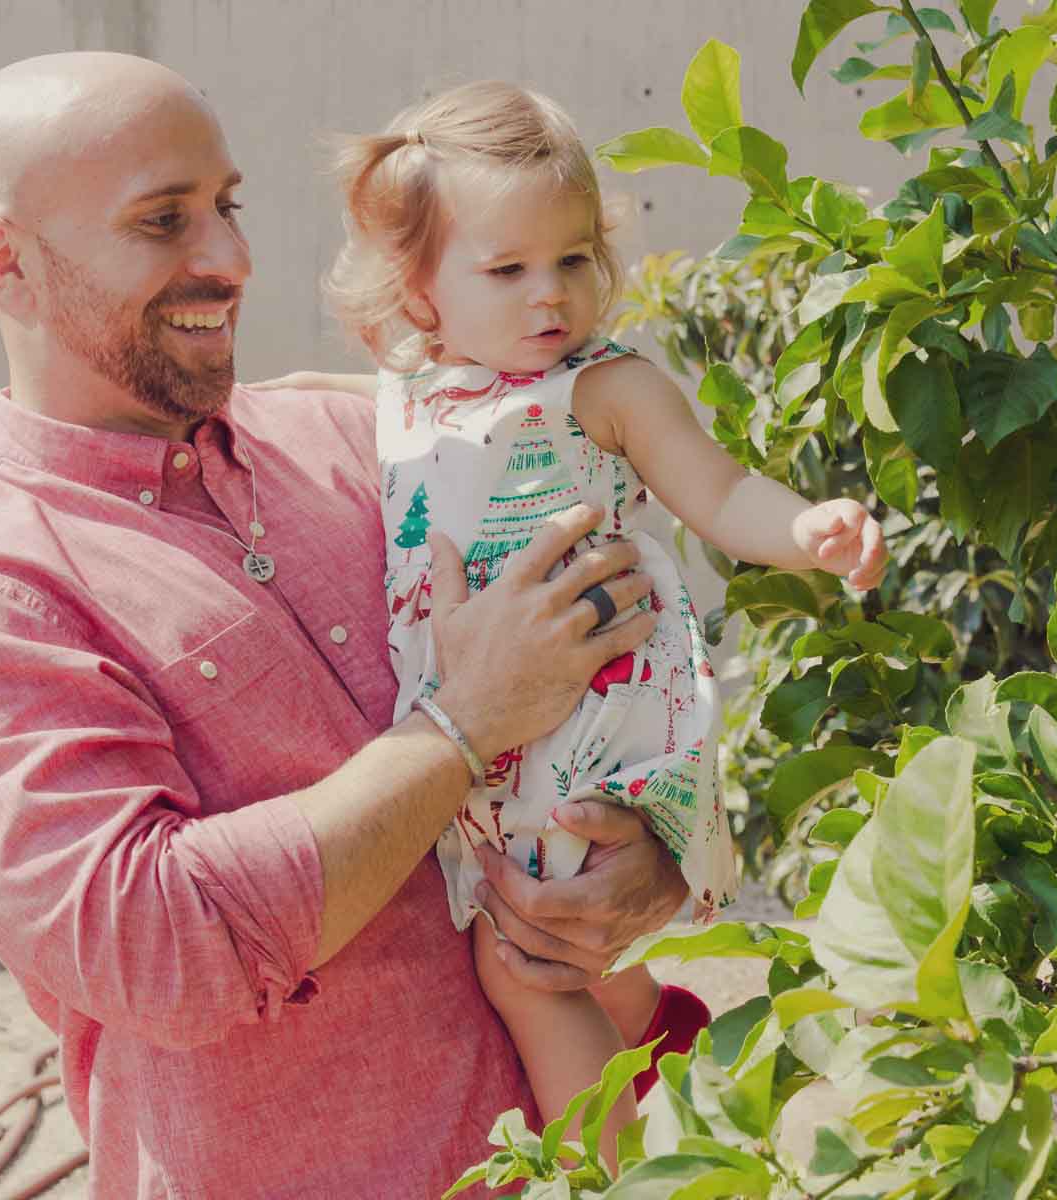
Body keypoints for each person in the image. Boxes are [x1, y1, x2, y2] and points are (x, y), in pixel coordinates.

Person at [0, 54, 693, 1199]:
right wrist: (463, 725)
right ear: (2, 260)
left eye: (224, 205)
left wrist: (646, 865)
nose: (227, 258)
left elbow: (627, 695)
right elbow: (157, 948)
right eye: (161, 221)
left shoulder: (368, 437)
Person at [322, 80, 889, 1162]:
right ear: (418, 288)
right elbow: (304, 400)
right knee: (562, 940)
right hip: (483, 730)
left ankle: (605, 1173)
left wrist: (807, 525)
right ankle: (652, 1040)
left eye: (574, 258)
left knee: (523, 961)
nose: (553, 296)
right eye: (508, 269)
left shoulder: (605, 387)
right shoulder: (408, 400)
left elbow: (719, 494)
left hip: (588, 721)